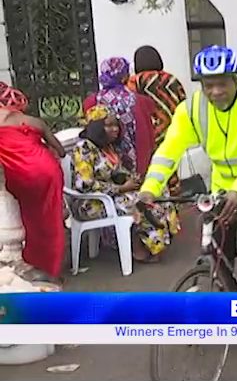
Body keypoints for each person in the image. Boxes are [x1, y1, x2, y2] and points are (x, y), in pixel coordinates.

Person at [138, 45, 237, 273]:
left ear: (235, 80)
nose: (216, 91)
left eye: (222, 84)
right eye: (209, 85)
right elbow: (168, 151)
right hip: (224, 180)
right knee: (219, 239)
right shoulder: (191, 109)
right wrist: (149, 188)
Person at [71, 104, 180, 263]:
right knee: (139, 204)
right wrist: (121, 188)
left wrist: (133, 180)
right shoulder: (84, 148)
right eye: (108, 125)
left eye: (116, 124)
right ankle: (140, 246)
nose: (115, 129)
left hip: (112, 196)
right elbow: (84, 184)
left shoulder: (107, 147)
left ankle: (159, 241)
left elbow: (117, 172)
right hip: (90, 203)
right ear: (97, 127)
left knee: (158, 192)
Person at [0, 83, 65, 282]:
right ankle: (51, 270)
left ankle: (32, 263)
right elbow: (61, 151)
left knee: (31, 219)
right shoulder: (35, 121)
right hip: (49, 171)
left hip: (20, 174)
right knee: (51, 220)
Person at [126, 45, 188, 195]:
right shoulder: (172, 80)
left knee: (152, 168)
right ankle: (173, 197)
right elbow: (184, 104)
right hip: (172, 130)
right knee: (169, 165)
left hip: (148, 131)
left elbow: (129, 104)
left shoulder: (136, 81)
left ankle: (155, 199)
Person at [84, 57, 157, 178]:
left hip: (106, 168)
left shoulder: (91, 102)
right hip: (137, 166)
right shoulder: (141, 102)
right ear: (125, 77)